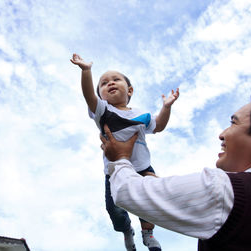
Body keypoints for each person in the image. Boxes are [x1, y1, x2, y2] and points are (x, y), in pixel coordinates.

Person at [100, 91, 251, 251]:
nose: (222, 134)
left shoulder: (225, 190)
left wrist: (120, 159)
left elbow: (128, 192)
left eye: (233, 123)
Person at [71, 53, 179, 251]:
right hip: (114, 172)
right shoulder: (103, 110)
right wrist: (86, 71)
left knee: (149, 200)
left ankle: (148, 233)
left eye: (116, 80)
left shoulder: (141, 114)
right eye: (103, 83)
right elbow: (88, 95)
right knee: (116, 210)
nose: (110, 83)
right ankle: (127, 231)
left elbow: (159, 126)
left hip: (142, 167)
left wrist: (166, 107)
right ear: (101, 95)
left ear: (129, 90)